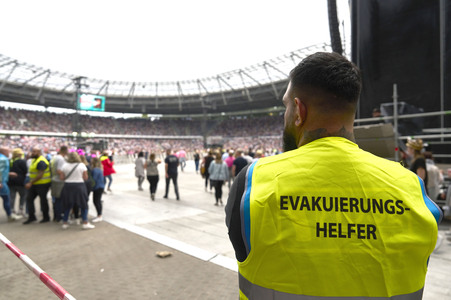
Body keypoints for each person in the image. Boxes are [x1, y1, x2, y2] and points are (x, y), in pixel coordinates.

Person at [225, 52, 442, 299]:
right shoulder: (411, 186)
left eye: (286, 105)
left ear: (298, 110)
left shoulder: (252, 182)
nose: (284, 115)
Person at [60, 152, 95, 230]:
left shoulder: (64, 165)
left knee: (67, 205)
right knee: (83, 204)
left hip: (68, 186)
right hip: (79, 186)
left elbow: (62, 178)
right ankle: (85, 222)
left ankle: (65, 222)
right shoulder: (81, 165)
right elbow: (85, 177)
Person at [23, 147, 52, 224]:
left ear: (39, 152)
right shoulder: (34, 160)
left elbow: (40, 174)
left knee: (43, 201)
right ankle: (32, 217)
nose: (32, 153)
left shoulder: (41, 161)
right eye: (32, 151)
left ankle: (46, 217)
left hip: (42, 184)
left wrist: (30, 183)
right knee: (29, 199)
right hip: (35, 183)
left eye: (34, 152)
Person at [0, 147, 19, 221]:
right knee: (6, 198)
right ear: (4, 151)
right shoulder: (3, 159)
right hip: (2, 183)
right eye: (8, 151)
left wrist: (8, 173)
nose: (9, 153)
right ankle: (9, 215)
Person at [50, 145, 68, 222]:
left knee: (56, 199)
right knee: (60, 200)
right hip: (59, 181)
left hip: (54, 179)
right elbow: (59, 170)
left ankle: (56, 216)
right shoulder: (61, 159)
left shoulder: (54, 157)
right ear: (65, 151)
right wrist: (65, 177)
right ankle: (59, 216)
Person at [8, 148, 27, 217]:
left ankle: (12, 210)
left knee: (12, 197)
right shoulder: (22, 161)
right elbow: (25, 171)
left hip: (11, 182)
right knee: (23, 196)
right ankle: (21, 209)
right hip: (20, 182)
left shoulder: (10, 161)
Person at [90, 157, 105, 223]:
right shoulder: (100, 169)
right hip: (101, 186)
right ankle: (99, 215)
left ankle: (99, 215)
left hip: (97, 187)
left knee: (96, 201)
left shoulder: (95, 170)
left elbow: (94, 179)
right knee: (97, 201)